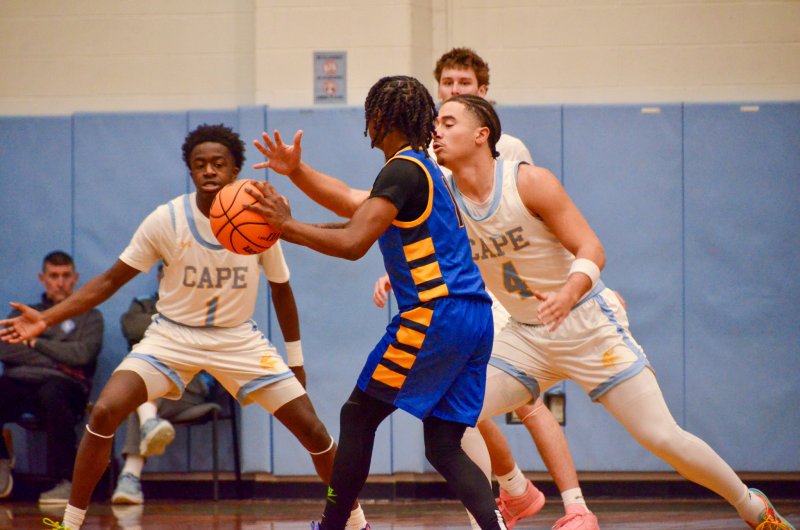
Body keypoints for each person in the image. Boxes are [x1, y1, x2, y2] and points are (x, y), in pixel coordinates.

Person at [431, 93, 796, 530]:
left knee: (662, 437)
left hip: (586, 325)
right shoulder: (444, 198)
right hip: (526, 334)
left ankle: (752, 506)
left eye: (448, 122)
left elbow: (592, 248)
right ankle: (489, 519)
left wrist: (569, 292)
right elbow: (378, 205)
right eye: (436, 123)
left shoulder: (528, 182)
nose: (437, 131)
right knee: (451, 414)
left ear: (481, 134)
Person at [0, 124, 367, 530]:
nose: (209, 170)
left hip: (236, 338)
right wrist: (46, 318)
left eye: (218, 163)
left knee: (313, 430)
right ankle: (70, 524)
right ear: (190, 170)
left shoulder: (261, 215)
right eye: (199, 164)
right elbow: (110, 280)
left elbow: (281, 290)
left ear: (235, 170)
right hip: (171, 335)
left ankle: (355, 522)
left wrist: (296, 361)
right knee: (104, 411)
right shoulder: (167, 219)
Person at [248, 75, 506, 530]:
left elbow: (353, 243)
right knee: (443, 445)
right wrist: (286, 223)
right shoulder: (423, 171)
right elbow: (355, 221)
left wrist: (286, 226)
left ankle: (334, 525)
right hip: (474, 317)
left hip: (436, 314)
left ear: (379, 117)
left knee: (357, 415)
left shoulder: (401, 170)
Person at [372, 47, 598, 530]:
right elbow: (427, 220)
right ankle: (512, 492)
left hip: (501, 287)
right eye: (447, 83)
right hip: (457, 281)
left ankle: (572, 503)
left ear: (483, 93)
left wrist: (586, 283)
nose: (454, 89)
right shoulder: (431, 150)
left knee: (524, 404)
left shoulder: (507, 147)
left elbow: (533, 222)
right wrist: (402, 268)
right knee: (463, 403)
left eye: (464, 83)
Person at [0, 251, 104, 505]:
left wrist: (34, 342)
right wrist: (61, 356)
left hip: (66, 388)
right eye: (54, 276)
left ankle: (64, 481)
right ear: (42, 278)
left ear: (75, 278)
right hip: (21, 381)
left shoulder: (90, 316)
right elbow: (6, 350)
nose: (60, 282)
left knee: (52, 394)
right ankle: (1, 459)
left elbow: (82, 355)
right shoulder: (24, 313)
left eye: (66, 276)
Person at [111, 263, 217, 505]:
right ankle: (148, 425)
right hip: (153, 384)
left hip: (191, 385)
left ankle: (131, 474)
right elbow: (131, 326)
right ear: (159, 277)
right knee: (143, 377)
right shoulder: (142, 303)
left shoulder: (202, 306)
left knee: (140, 385)